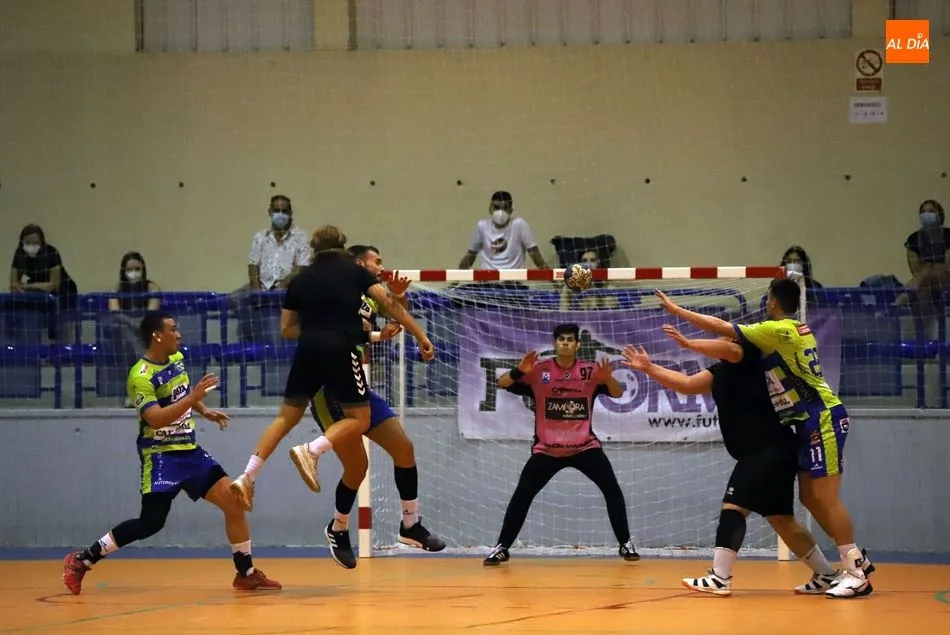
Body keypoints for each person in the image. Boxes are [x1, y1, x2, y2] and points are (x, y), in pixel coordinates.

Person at [655, 279, 874, 598]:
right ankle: (839, 569)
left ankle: (855, 569)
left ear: (772, 301)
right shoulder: (784, 336)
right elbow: (692, 379)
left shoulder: (775, 330)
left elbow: (725, 334)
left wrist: (678, 314)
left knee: (823, 498)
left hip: (821, 415)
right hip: (803, 424)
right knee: (806, 500)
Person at [62, 312, 281, 594]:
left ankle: (246, 574)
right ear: (157, 335)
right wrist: (194, 398)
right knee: (150, 523)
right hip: (161, 458)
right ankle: (82, 560)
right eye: (173, 330)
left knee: (234, 503)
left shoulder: (176, 359)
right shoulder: (141, 376)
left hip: (190, 453)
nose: (178, 334)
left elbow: (182, 392)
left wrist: (204, 410)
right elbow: (155, 419)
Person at [229, 226, 435, 518]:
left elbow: (287, 329)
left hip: (307, 349)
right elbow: (388, 304)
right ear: (344, 247)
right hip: (339, 350)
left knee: (285, 418)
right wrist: (421, 335)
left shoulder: (300, 280)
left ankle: (247, 476)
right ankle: (311, 451)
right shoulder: (355, 273)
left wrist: (323, 329)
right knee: (360, 419)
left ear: (313, 248)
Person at [622, 327, 838, 596]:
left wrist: (687, 343)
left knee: (733, 507)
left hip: (766, 449)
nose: (718, 338)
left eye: (722, 334)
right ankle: (826, 574)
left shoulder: (747, 359)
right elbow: (686, 384)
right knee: (781, 519)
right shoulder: (720, 371)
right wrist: (648, 367)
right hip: (773, 451)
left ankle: (720, 577)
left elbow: (731, 348)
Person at [304, 245, 445, 569]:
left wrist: (400, 304)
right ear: (358, 263)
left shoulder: (371, 294)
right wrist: (404, 324)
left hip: (358, 387)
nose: (381, 266)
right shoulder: (339, 289)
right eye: (376, 261)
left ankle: (410, 524)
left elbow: (392, 315)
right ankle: (338, 527)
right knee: (357, 468)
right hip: (329, 388)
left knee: (404, 449)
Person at [483, 323, 639, 566]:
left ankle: (626, 544)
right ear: (554, 343)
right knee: (522, 495)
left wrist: (608, 379)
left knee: (612, 489)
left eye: (570, 339)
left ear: (578, 344)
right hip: (547, 450)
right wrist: (519, 370)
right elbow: (502, 383)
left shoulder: (590, 371)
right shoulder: (539, 370)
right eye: (561, 339)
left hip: (585, 447)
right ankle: (502, 547)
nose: (565, 343)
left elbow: (617, 393)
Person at [104, 251, 162, 405]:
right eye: (130, 269)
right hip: (122, 335)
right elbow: (114, 312)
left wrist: (139, 325)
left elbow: (152, 311)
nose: (134, 272)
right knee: (123, 331)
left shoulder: (151, 287)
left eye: (137, 269)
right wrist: (133, 324)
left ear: (143, 269)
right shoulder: (116, 289)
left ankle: (134, 393)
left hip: (145, 331)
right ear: (123, 271)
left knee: (131, 339)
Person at [9, 224, 78, 340]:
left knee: (61, 332)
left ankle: (62, 349)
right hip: (40, 296)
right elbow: (13, 285)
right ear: (22, 243)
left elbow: (54, 285)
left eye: (35, 242)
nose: (32, 246)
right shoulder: (20, 255)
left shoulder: (51, 253)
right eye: (28, 242)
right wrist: (20, 287)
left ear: (41, 242)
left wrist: (28, 286)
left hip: (64, 293)